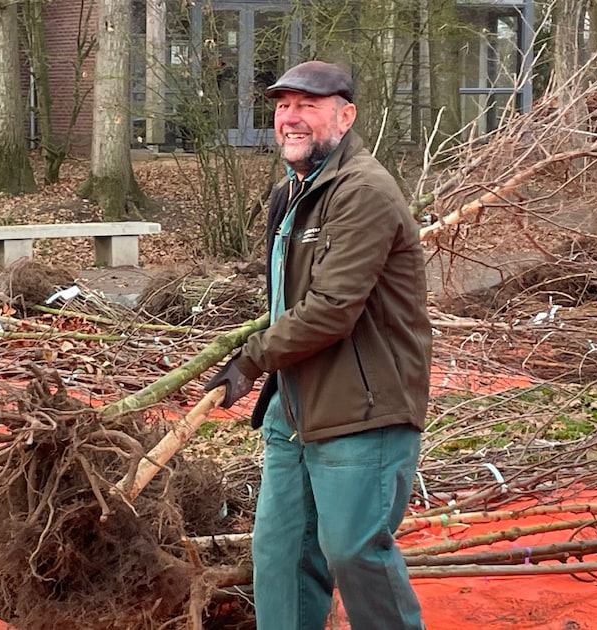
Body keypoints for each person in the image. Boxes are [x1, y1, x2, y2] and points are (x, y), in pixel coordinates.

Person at [205, 60, 432, 630]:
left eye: (307, 105)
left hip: (362, 409)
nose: (291, 117)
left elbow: (331, 309)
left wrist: (252, 358)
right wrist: (265, 359)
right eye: (283, 106)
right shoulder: (292, 194)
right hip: (295, 407)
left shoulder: (365, 191)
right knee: (281, 556)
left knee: (355, 554)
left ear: (345, 116)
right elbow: (289, 303)